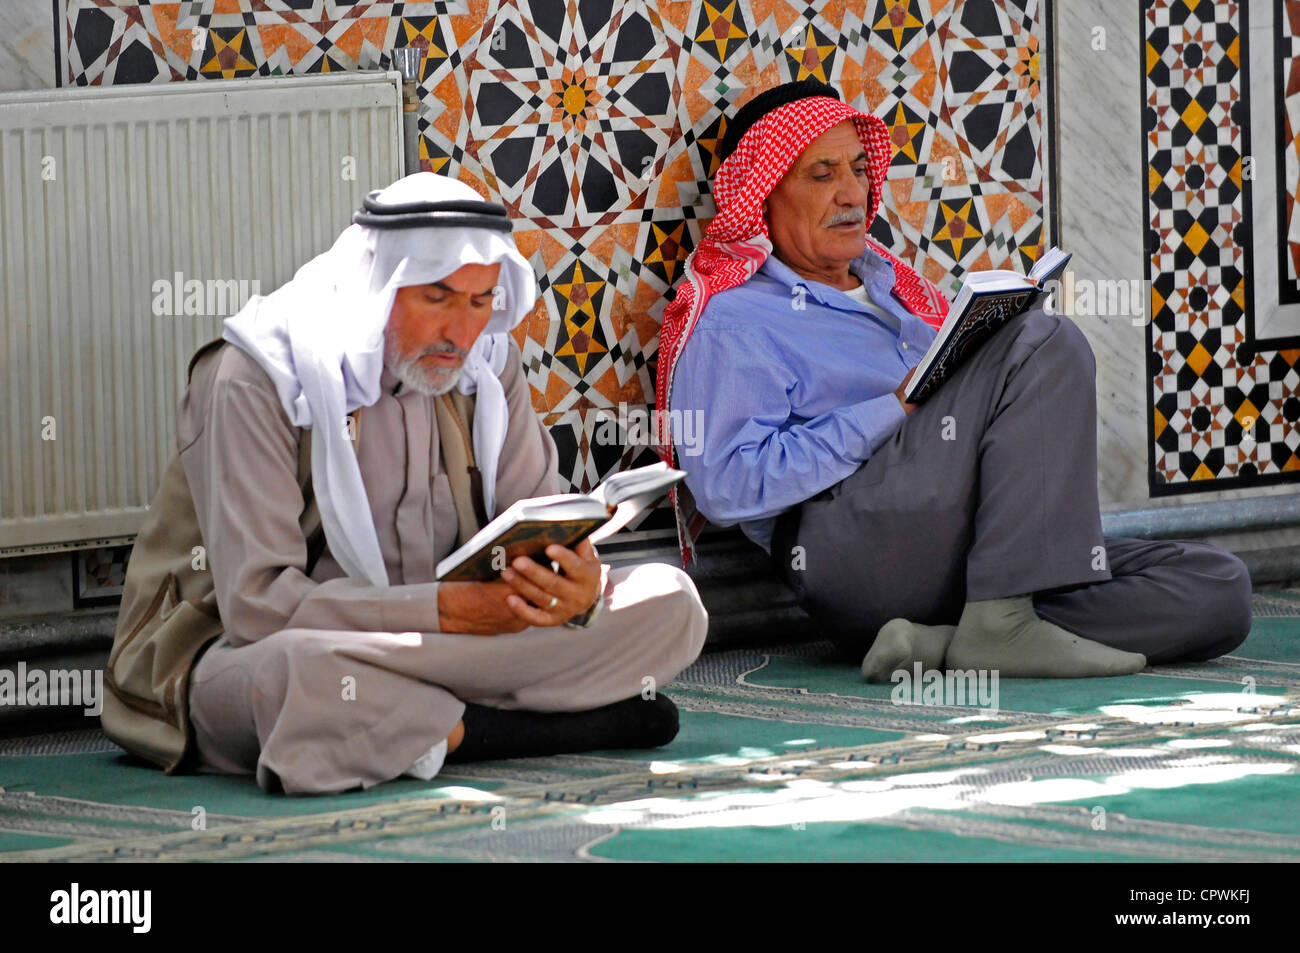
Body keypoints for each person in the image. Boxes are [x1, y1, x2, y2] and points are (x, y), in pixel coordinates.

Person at [103, 173, 708, 795]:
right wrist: (446, 613)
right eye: (437, 298)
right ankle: (525, 726)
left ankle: (429, 726)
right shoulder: (255, 379)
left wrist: (576, 588)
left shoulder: (484, 368)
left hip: (443, 644)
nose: (461, 332)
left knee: (669, 603)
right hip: (253, 651)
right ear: (379, 288)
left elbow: (540, 521)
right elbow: (259, 610)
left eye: (480, 301)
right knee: (307, 676)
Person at [655, 80, 1251, 681]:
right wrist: (893, 408)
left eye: (859, 169)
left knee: (1217, 587)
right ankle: (1001, 622)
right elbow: (726, 488)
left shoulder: (897, 290)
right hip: (857, 549)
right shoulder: (736, 319)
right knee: (1045, 339)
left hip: (971, 551)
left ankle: (956, 637)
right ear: (761, 195)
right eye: (821, 174)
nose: (852, 193)